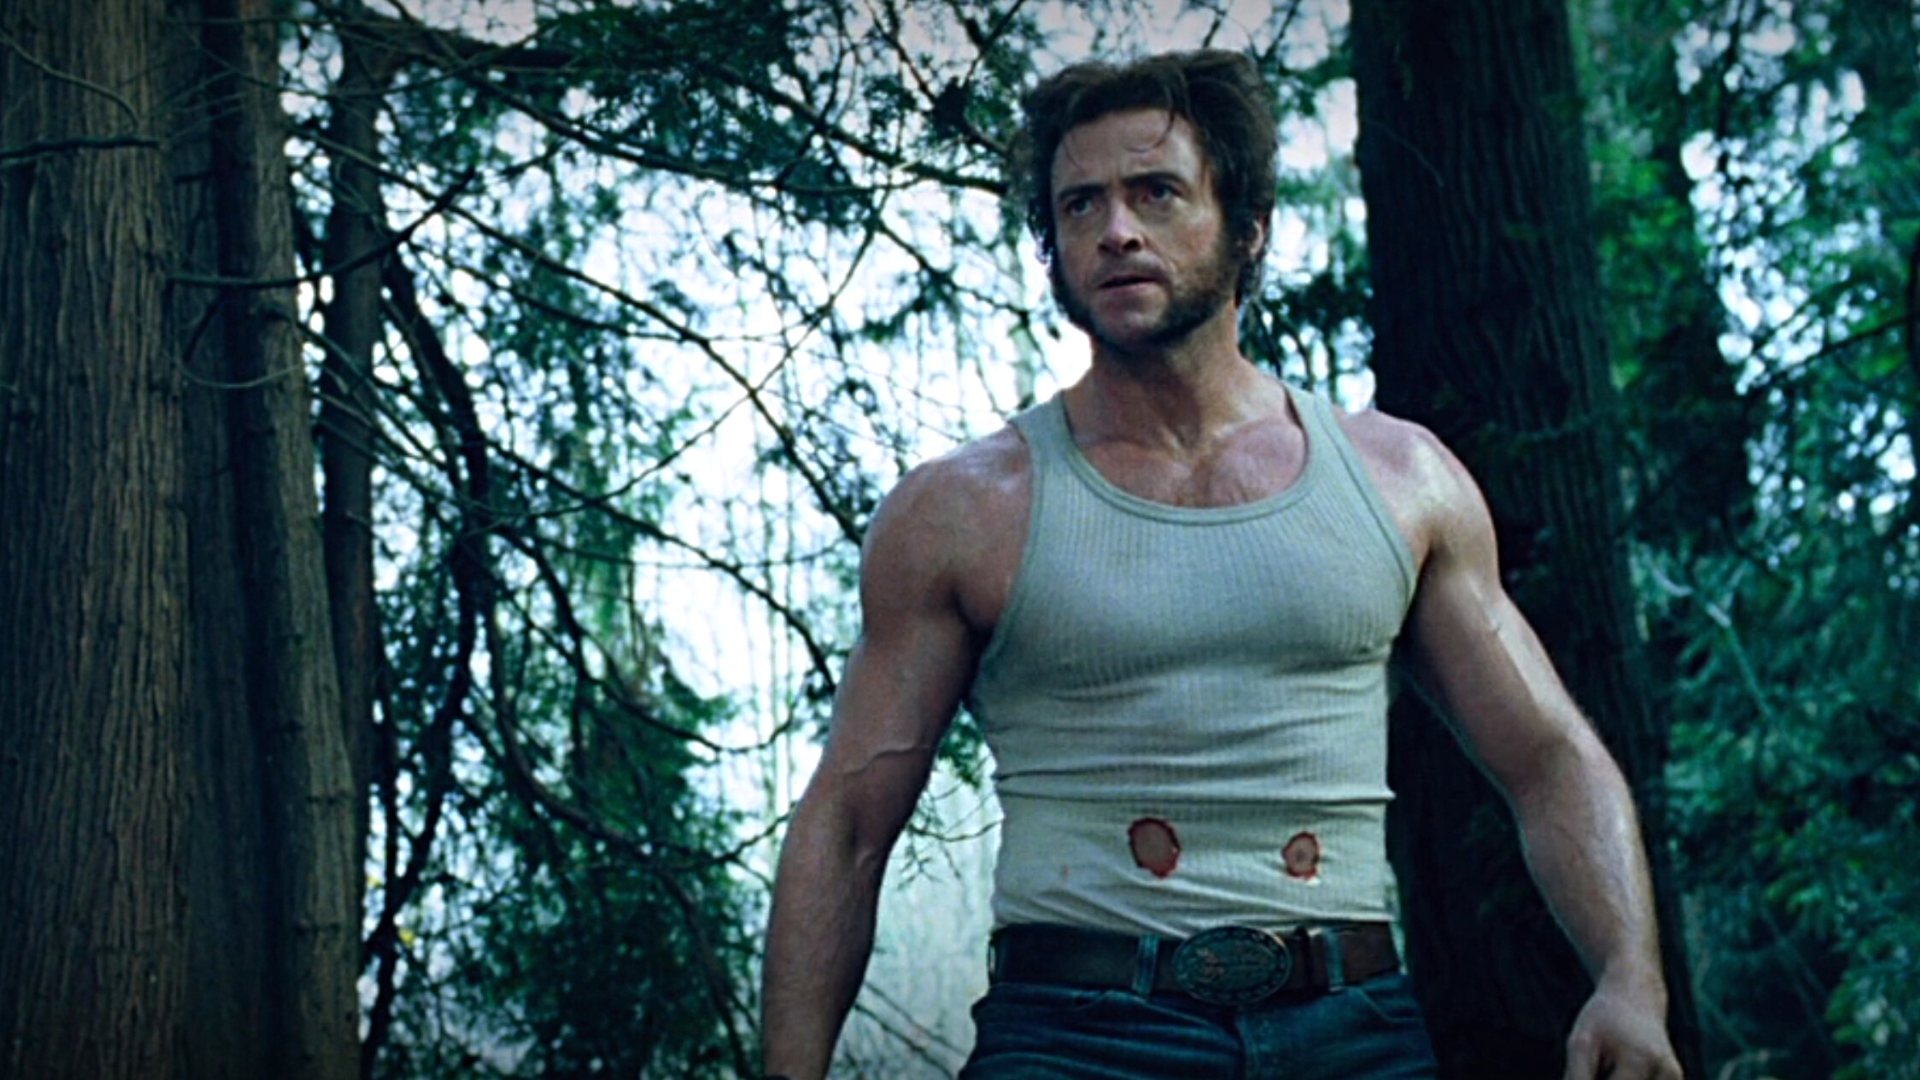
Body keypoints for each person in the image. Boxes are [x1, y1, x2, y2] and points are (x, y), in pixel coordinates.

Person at [759, 49, 1683, 1080]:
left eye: (1156, 192)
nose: (1116, 230)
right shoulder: (965, 511)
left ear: (1249, 227)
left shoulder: (1400, 481)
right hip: (1077, 1037)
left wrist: (1629, 981)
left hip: (1354, 1029)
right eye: (1079, 205)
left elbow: (1547, 755)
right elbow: (848, 823)